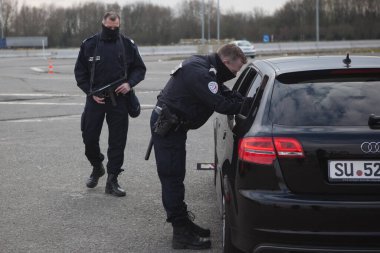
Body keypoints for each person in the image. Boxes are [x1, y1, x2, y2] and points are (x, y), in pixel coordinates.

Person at [150, 44, 248, 249]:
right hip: (168, 126)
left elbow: (223, 91)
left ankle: (184, 223)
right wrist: (249, 106)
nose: (235, 74)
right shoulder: (199, 72)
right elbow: (220, 104)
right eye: (234, 71)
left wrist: (243, 99)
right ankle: (180, 233)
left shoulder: (206, 67)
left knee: (176, 176)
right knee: (172, 178)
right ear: (226, 62)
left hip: (175, 125)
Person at [74, 11, 146, 197]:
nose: (112, 30)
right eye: (109, 27)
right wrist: (90, 93)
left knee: (117, 141)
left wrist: (129, 83)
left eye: (116, 27)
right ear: (103, 23)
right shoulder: (89, 45)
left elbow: (139, 68)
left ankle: (112, 179)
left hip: (119, 100)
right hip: (95, 100)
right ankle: (97, 166)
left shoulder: (128, 45)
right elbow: (80, 72)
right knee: (89, 138)